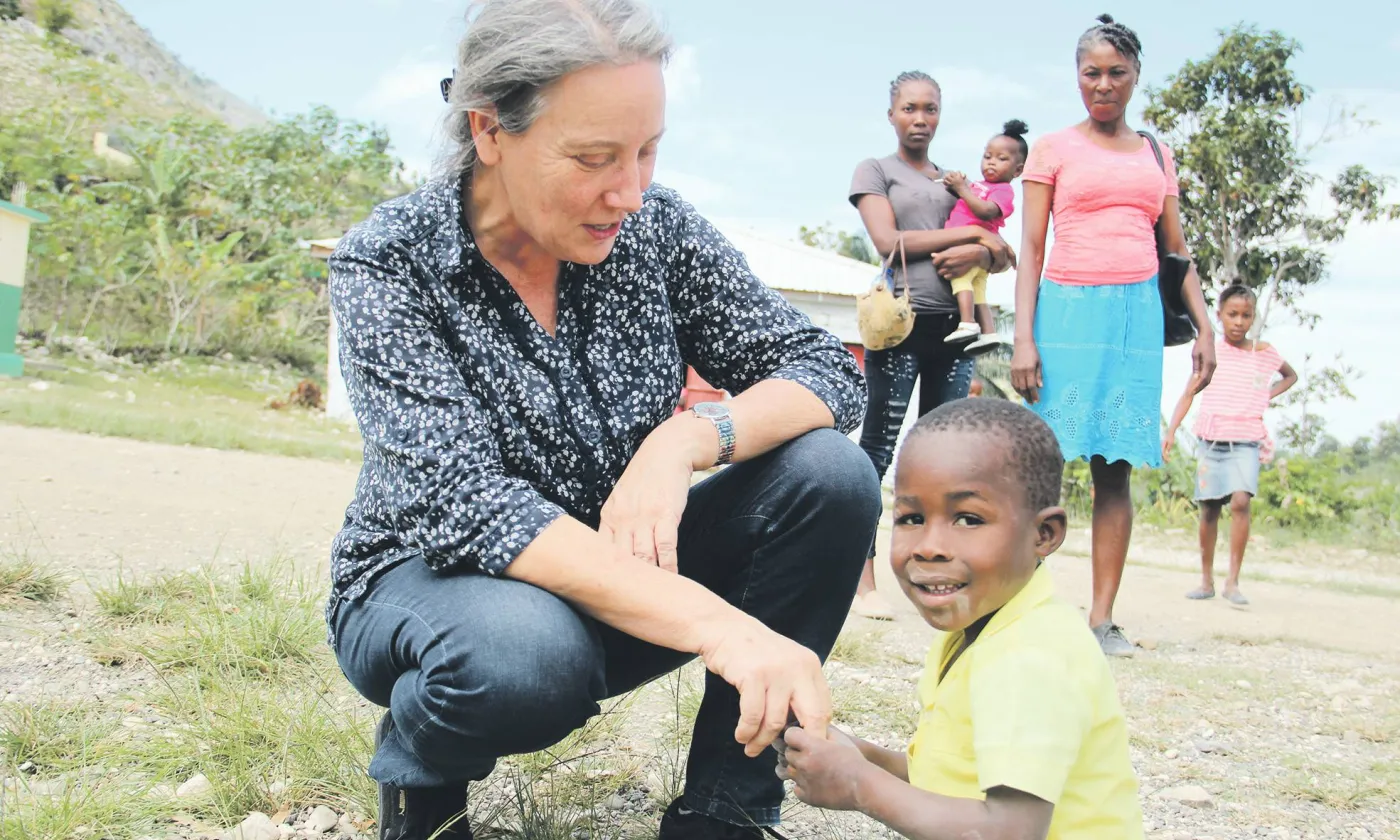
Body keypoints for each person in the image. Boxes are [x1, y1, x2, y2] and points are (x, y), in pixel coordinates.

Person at [325, 2, 881, 839]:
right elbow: (467, 505)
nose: (627, 190)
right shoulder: (392, 263)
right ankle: (425, 781)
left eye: (647, 151)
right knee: (522, 661)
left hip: (616, 577)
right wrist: (726, 628)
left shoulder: (655, 231)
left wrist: (685, 440)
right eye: (592, 159)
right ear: (488, 130)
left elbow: (825, 370)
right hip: (438, 587)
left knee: (832, 477)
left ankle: (725, 813)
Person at [776, 399, 1144, 840]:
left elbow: (1010, 830)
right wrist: (856, 756)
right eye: (912, 518)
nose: (930, 546)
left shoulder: (1031, 658)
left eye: (968, 519)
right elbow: (946, 776)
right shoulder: (983, 630)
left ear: (1043, 535)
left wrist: (858, 784)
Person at [1010, 14, 1216, 657]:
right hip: (1065, 314)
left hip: (1134, 319)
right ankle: (1023, 609)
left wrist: (1206, 326)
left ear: (1134, 78)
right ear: (1077, 77)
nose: (1103, 84)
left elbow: (1176, 250)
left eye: (1116, 73)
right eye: (1091, 73)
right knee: (1041, 467)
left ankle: (1101, 619)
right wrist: (1024, 338)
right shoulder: (1052, 148)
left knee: (1114, 470)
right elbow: (1033, 246)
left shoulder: (1157, 154)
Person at [848, 71, 1017, 621]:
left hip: (955, 332)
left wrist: (985, 248)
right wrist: (973, 238)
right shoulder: (876, 171)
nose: (920, 119)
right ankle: (861, 581)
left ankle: (936, 582)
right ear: (892, 113)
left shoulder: (957, 181)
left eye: (930, 110)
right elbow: (888, 240)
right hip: (901, 326)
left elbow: (1003, 250)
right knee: (877, 451)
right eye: (910, 109)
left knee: (939, 464)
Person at [1164, 285, 1297, 606]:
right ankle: (1206, 580)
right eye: (1232, 314)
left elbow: (1290, 376)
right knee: (1209, 508)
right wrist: (1171, 430)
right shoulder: (1213, 352)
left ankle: (1233, 581)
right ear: (1220, 315)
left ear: (1253, 317)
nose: (1239, 321)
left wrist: (1265, 395)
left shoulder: (1263, 353)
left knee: (1240, 501)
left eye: (1246, 315)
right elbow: (1188, 392)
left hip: (1247, 440)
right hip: (1212, 440)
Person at [941, 119, 1030, 352]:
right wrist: (957, 183)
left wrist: (962, 190)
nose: (991, 163)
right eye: (987, 156)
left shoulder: (1004, 191)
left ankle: (968, 323)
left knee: (961, 280)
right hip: (976, 249)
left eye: (1002, 159)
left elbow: (985, 210)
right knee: (978, 290)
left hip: (970, 247)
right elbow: (969, 192)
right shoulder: (980, 185)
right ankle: (989, 332)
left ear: (1018, 170)